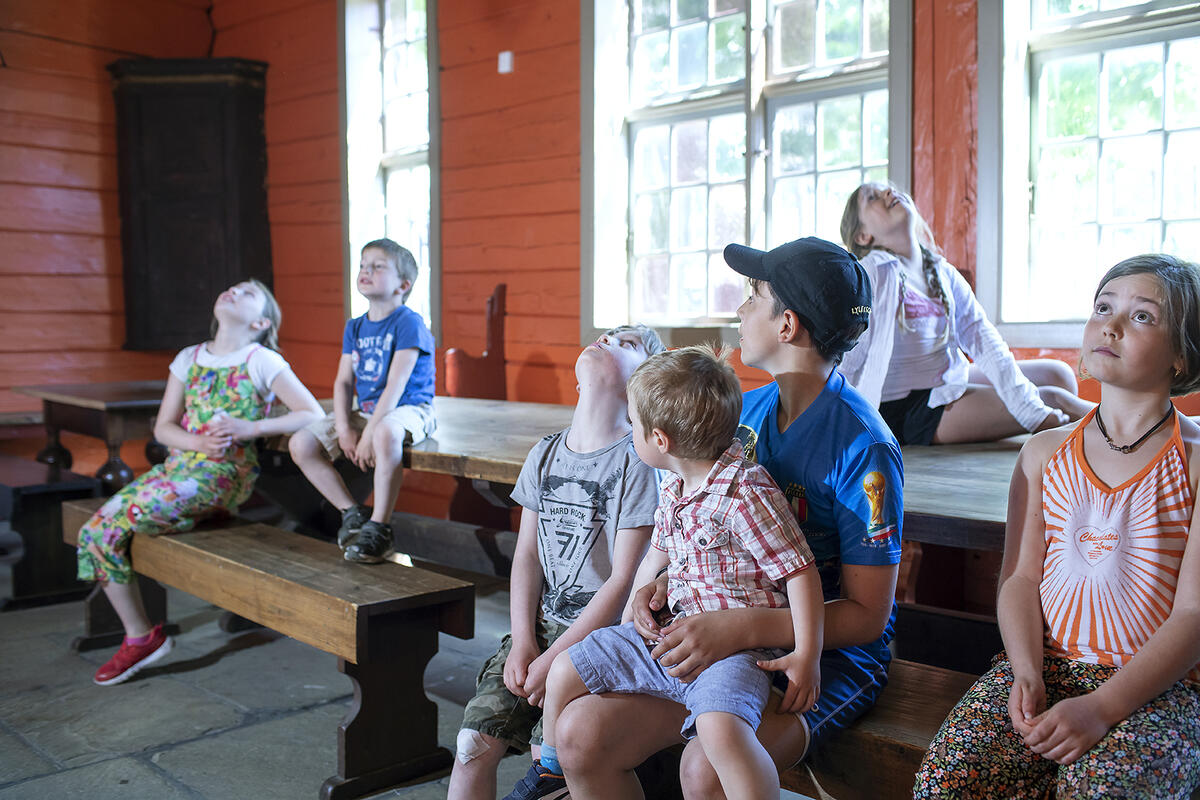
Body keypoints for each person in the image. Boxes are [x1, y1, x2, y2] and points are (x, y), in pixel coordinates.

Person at [555, 237, 905, 799]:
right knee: (578, 735)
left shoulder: (864, 447)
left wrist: (741, 627)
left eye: (753, 296)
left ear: (787, 325)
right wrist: (664, 582)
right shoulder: (742, 415)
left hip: (823, 655)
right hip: (713, 631)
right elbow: (705, 529)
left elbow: (868, 616)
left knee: (707, 772)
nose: (740, 309)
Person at [913, 253, 1200, 799]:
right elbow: (1020, 579)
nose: (1111, 325)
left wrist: (1101, 707)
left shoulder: (1193, 463)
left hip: (1156, 689)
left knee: (1102, 791)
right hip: (1042, 666)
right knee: (946, 780)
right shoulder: (1044, 453)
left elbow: (1194, 614)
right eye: (1103, 307)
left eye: (1142, 316)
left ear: (1182, 354)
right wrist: (1025, 672)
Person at [515, 345, 824, 800]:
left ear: (660, 440)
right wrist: (631, 621)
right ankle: (551, 772)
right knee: (565, 668)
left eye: (633, 425)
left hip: (735, 653)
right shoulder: (675, 487)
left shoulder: (746, 493)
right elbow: (655, 560)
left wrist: (807, 654)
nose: (630, 433)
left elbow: (800, 572)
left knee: (722, 731)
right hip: (668, 635)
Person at [446, 324, 666, 800]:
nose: (607, 339)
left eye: (627, 343)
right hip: (541, 628)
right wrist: (524, 640)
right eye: (609, 334)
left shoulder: (638, 463)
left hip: (598, 638)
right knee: (471, 746)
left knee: (549, 761)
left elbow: (624, 581)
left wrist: (555, 658)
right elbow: (526, 555)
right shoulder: (545, 453)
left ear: (641, 384)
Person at [77, 279, 325, 686]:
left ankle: (140, 639)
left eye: (247, 293)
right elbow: (163, 428)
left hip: (222, 475)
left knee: (108, 526)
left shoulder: (261, 360)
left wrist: (250, 427)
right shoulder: (188, 358)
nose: (234, 291)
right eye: (232, 288)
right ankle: (142, 635)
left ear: (261, 322)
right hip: (176, 471)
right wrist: (196, 442)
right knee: (93, 532)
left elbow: (312, 413)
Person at [838, 181, 1093, 445]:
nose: (888, 192)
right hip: (906, 409)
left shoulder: (941, 271)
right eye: (872, 197)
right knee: (1054, 399)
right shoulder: (871, 273)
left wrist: (1027, 406)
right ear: (863, 236)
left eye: (887, 188)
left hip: (945, 379)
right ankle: (1122, 431)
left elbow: (984, 339)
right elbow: (848, 358)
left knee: (1058, 375)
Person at [288, 238, 437, 563]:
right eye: (362, 265)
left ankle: (380, 526)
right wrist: (344, 428)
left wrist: (368, 433)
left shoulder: (408, 322)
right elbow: (343, 382)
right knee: (301, 444)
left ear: (403, 285)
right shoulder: (355, 327)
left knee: (385, 433)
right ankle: (352, 512)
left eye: (378, 266)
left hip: (410, 408)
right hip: (368, 411)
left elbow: (397, 384)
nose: (366, 271)